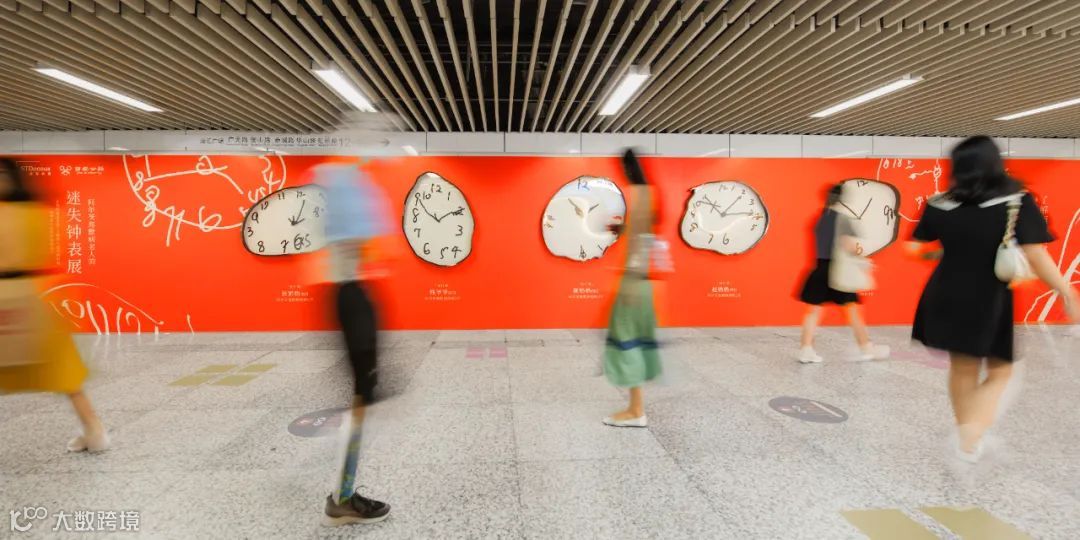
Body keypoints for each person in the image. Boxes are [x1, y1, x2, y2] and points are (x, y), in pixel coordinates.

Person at [908, 135, 1080, 464]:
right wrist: (1066, 290)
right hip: (988, 297)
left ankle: (966, 441)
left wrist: (945, 253)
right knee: (1001, 370)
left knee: (962, 368)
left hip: (944, 293)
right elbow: (1036, 255)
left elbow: (917, 247)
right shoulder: (1017, 202)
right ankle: (971, 436)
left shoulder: (938, 204)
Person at [0, 157, 109, 453]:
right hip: (36, 297)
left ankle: (94, 430)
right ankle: (94, 431)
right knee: (62, 372)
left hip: (15, 295)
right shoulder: (39, 212)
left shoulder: (13, 214)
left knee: (61, 372)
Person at [313, 158, 393, 526]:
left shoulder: (348, 272)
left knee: (360, 408)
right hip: (355, 319)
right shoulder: (348, 281)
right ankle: (342, 499)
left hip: (354, 309)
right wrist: (368, 375)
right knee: (359, 409)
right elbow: (358, 327)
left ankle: (343, 495)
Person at [602, 149, 663, 428]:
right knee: (633, 343)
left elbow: (641, 243)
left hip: (634, 282)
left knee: (626, 344)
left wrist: (630, 280)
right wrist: (623, 230)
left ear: (627, 169)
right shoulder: (650, 195)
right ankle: (635, 407)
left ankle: (636, 411)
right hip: (642, 282)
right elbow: (644, 234)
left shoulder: (639, 196)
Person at [796, 183, 889, 363]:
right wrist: (862, 256)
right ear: (843, 198)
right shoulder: (843, 219)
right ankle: (866, 348)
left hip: (820, 269)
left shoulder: (821, 218)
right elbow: (849, 245)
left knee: (813, 312)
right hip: (839, 271)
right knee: (853, 311)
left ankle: (806, 350)